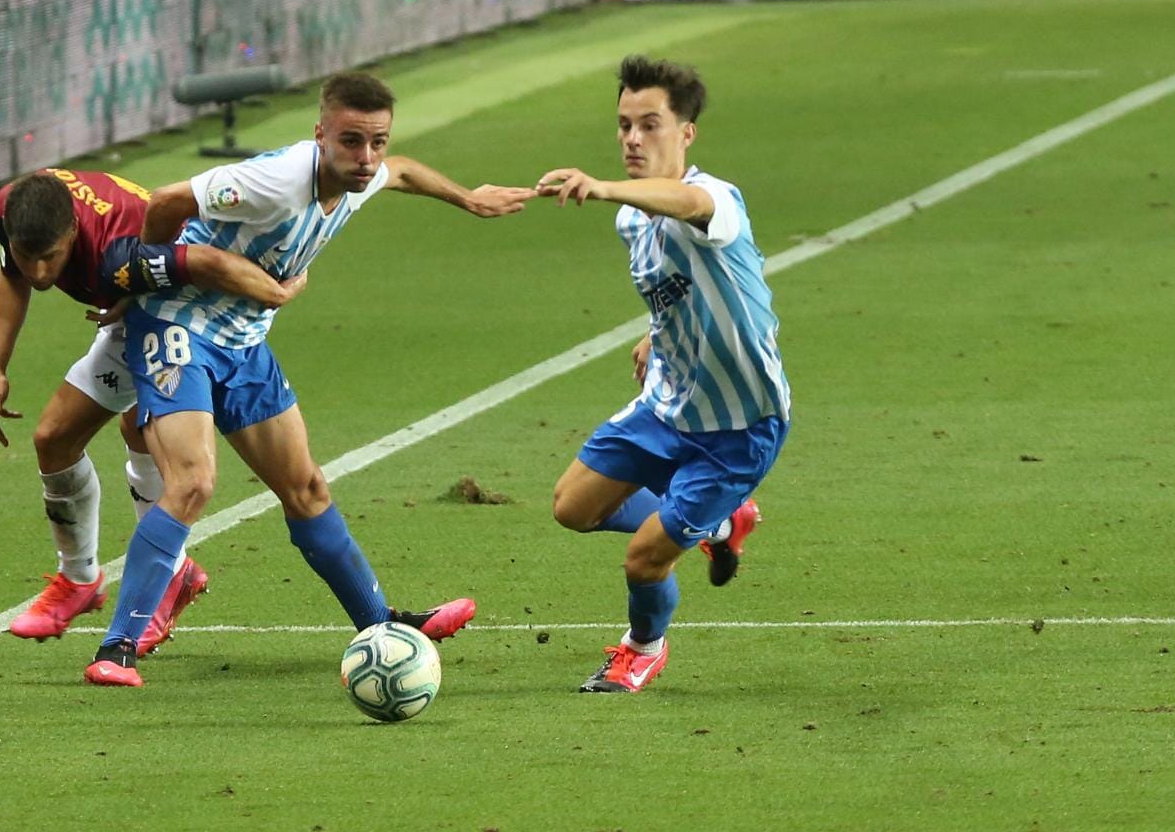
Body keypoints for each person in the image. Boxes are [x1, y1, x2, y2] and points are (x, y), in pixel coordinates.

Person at [84, 72, 537, 687]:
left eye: (377, 141)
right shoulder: (272, 182)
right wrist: (143, 278)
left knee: (307, 489)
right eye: (351, 141)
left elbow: (403, 172)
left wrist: (469, 199)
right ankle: (116, 648)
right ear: (320, 134)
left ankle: (381, 626)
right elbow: (166, 201)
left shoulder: (363, 175)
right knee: (193, 483)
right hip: (178, 326)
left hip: (244, 342)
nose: (367, 157)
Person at [536, 55, 791, 694]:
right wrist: (655, 333)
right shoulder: (632, 220)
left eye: (650, 125)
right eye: (625, 125)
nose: (632, 138)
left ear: (686, 133)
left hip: (739, 427)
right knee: (572, 508)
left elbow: (689, 205)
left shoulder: (715, 198)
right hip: (669, 406)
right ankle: (720, 523)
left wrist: (602, 186)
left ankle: (643, 648)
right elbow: (681, 289)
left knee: (644, 560)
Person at [0, 167, 306, 652]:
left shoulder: (118, 248)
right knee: (88, 436)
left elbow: (208, 264)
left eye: (50, 258)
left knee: (86, 434)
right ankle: (133, 576)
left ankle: (119, 578)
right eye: (29, 256)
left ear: (73, 231)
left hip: (177, 306)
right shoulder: (12, 208)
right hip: (137, 293)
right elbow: (12, 275)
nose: (40, 273)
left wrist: (277, 291)